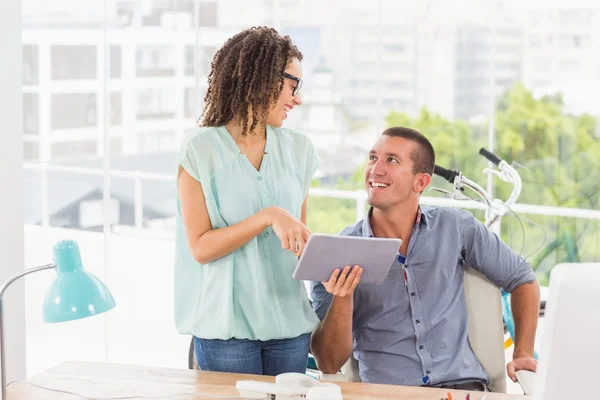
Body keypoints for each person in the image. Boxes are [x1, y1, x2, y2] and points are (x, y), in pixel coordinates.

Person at [310, 127, 540, 391]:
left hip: (463, 390)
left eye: (391, 160)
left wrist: (523, 353)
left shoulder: (456, 226)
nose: (375, 169)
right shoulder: (336, 253)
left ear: (421, 182)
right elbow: (328, 363)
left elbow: (522, 278)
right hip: (389, 394)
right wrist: (343, 296)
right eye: (373, 158)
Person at [174, 26, 319, 376]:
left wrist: (328, 268)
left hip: (290, 327)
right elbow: (201, 247)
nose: (296, 98)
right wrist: (267, 216)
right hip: (227, 331)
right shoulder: (200, 150)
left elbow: (298, 238)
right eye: (292, 85)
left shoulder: (300, 150)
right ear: (264, 79)